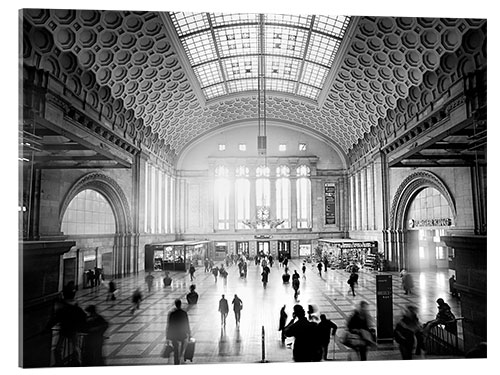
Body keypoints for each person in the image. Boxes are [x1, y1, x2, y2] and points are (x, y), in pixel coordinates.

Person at [46, 283, 87, 366]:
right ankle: (78, 362)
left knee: (58, 348)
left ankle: (59, 364)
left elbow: (56, 318)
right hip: (73, 329)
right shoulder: (76, 307)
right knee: (76, 346)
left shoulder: (62, 306)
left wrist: (47, 328)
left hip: (64, 329)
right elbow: (83, 317)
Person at [166, 299, 191, 365]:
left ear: (175, 304)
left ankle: (176, 360)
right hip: (182, 333)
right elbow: (186, 323)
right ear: (180, 304)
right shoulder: (184, 313)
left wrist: (167, 337)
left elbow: (169, 325)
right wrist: (189, 333)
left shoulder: (172, 314)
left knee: (175, 348)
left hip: (174, 334)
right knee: (182, 345)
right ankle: (180, 356)